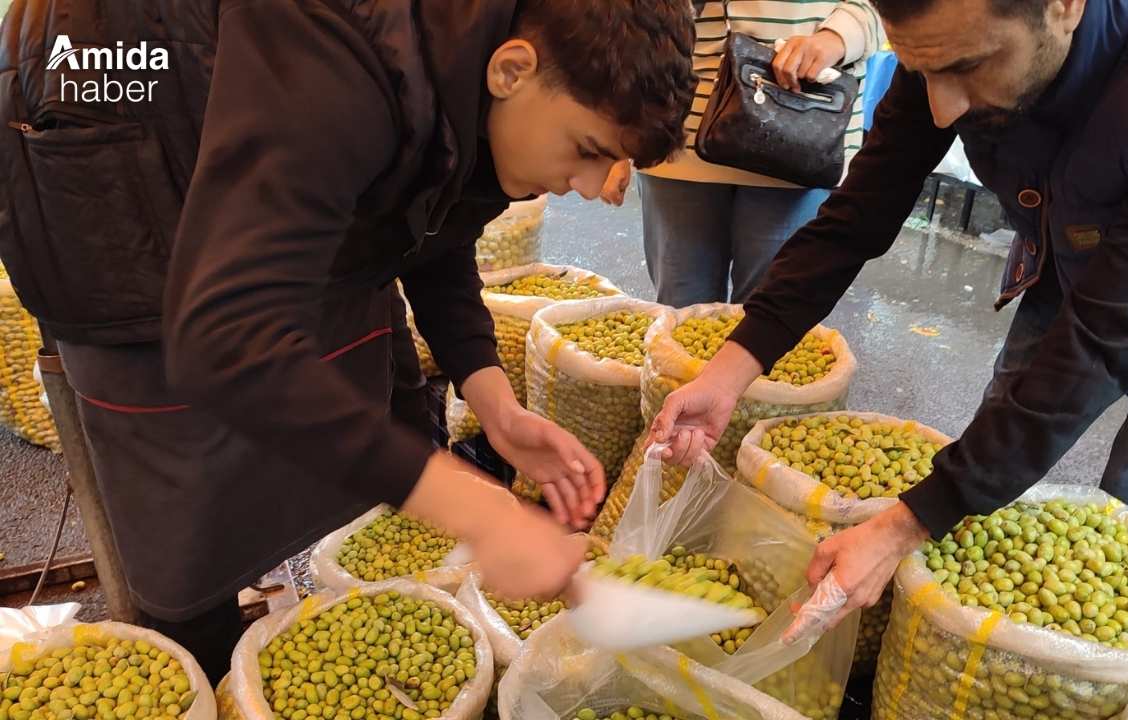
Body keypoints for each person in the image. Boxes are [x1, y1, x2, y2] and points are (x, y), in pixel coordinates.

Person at [0, 0, 696, 679]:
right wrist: (480, 512)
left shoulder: (477, 54)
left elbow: (435, 219)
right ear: (512, 70)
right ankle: (204, 664)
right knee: (192, 521)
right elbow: (224, 334)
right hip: (124, 164)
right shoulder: (338, 35)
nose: (590, 188)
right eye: (587, 151)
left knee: (363, 418)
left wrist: (496, 407)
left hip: (264, 173)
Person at [650, 0, 1128, 629]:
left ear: (1062, 8)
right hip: (1076, 234)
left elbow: (1110, 329)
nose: (944, 109)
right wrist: (730, 370)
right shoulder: (950, 46)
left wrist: (905, 523)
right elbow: (853, 219)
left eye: (969, 67)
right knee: (1006, 420)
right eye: (923, 73)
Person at [630, 0, 884, 307]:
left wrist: (838, 37)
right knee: (681, 315)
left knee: (771, 315)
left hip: (804, 125)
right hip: (678, 120)